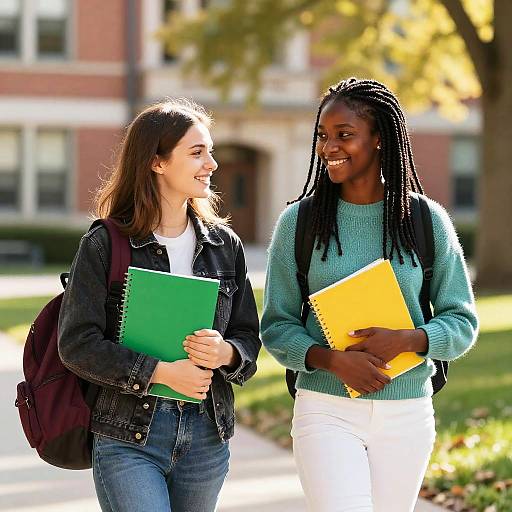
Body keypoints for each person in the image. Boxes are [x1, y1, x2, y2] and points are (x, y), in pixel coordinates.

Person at [261, 78, 478, 512]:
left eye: (345, 135)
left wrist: (410, 340)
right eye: (323, 136)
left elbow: (462, 320)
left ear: (380, 139)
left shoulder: (424, 221)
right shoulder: (299, 224)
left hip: (407, 413)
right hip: (325, 409)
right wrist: (332, 360)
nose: (329, 147)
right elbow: (277, 326)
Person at [58, 99, 261, 512]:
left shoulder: (225, 246)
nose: (212, 164)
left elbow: (248, 340)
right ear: (157, 163)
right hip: (127, 435)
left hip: (206, 436)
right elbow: (77, 343)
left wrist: (226, 352)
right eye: (197, 152)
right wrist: (162, 373)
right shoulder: (105, 243)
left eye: (211, 151)